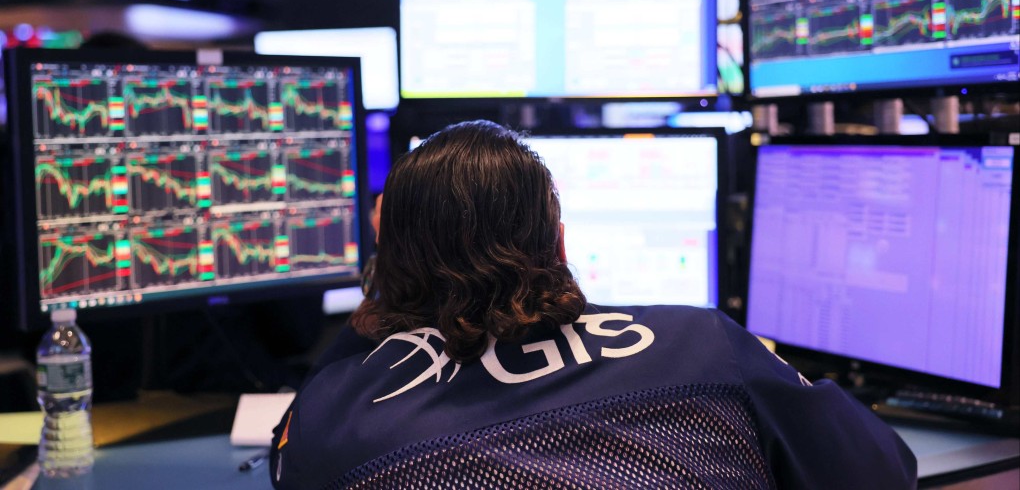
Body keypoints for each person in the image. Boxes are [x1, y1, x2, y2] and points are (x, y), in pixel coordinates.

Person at [270, 120, 917, 489]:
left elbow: (288, 462)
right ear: (557, 241)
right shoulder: (703, 345)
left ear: (391, 257)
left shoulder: (340, 408)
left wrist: (386, 284)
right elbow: (886, 471)